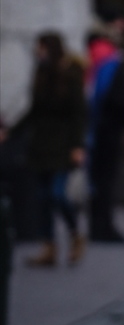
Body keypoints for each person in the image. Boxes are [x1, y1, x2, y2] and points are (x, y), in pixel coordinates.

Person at [15, 33, 87, 268]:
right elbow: (33, 111)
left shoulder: (70, 75)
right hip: (40, 146)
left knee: (56, 194)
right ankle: (49, 246)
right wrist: (11, 132)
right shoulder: (41, 74)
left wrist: (77, 146)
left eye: (42, 48)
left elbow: (78, 114)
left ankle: (75, 233)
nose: (38, 53)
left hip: (62, 146)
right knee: (41, 198)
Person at [84, 31, 124, 243]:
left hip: (91, 128)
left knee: (94, 180)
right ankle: (105, 227)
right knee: (106, 181)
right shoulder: (113, 61)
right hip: (109, 130)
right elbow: (121, 100)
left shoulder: (88, 58)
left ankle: (95, 227)